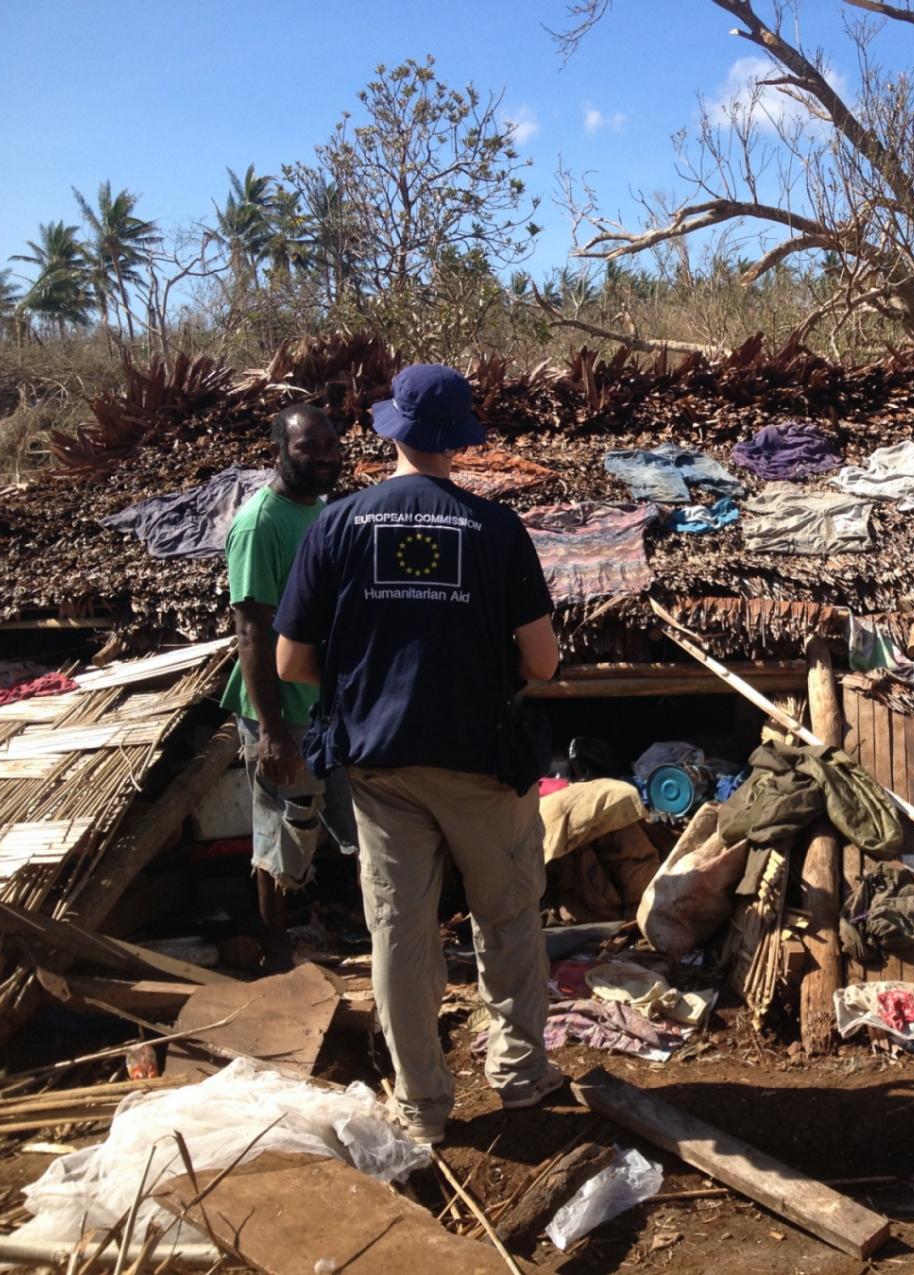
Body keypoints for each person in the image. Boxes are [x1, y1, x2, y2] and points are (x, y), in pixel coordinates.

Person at [273, 364, 563, 1144]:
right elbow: (541, 662)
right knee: (506, 917)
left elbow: (289, 663)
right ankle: (521, 1074)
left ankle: (423, 1103)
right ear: (458, 440)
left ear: (391, 431)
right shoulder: (497, 529)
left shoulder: (335, 526)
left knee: (399, 930)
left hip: (378, 766)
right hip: (481, 761)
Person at [221, 404, 357, 972]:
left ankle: (361, 926)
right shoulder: (261, 524)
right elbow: (251, 630)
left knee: (352, 822)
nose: (325, 457)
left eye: (330, 445)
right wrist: (272, 731)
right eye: (309, 447)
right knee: (280, 830)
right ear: (279, 449)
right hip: (284, 711)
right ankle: (275, 945)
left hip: (330, 703)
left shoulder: (323, 512)